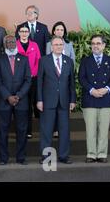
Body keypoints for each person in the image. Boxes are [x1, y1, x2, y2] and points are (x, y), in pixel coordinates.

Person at [79, 34, 110, 163]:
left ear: (103, 45)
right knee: (90, 130)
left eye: (98, 43)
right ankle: (91, 154)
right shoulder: (85, 60)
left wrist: (106, 88)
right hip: (90, 99)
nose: (95, 46)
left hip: (105, 99)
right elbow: (82, 78)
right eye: (93, 43)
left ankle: (102, 154)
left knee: (103, 130)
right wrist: (92, 90)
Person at [37, 36, 76, 165]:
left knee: (64, 130)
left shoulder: (69, 61)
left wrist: (72, 100)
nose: (59, 46)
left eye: (61, 44)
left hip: (64, 101)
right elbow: (39, 82)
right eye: (56, 44)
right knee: (47, 130)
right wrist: (39, 100)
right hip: (48, 101)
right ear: (51, 46)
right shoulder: (43, 61)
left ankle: (64, 156)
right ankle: (46, 157)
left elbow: (72, 83)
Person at [0, 35, 31, 165]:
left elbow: (28, 80)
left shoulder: (24, 59)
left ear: (16, 43)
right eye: (7, 42)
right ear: (4, 45)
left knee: (22, 130)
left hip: (21, 101)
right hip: (4, 101)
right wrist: (8, 96)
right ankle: (3, 158)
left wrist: (19, 95)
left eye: (12, 41)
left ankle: (21, 158)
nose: (10, 43)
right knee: (2, 131)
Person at [46, 21, 75, 138]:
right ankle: (54, 129)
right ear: (53, 31)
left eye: (61, 30)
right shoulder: (49, 44)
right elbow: (47, 61)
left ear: (64, 32)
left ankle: (61, 130)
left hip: (65, 80)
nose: (59, 32)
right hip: (52, 80)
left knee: (63, 107)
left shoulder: (69, 44)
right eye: (57, 29)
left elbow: (72, 60)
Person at [16, 25, 41, 138]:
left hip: (32, 79)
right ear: (19, 33)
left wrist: (32, 73)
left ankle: (28, 131)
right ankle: (20, 130)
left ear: (29, 33)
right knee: (21, 105)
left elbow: (38, 61)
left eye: (26, 31)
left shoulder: (34, 45)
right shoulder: (14, 44)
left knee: (30, 105)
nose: (24, 33)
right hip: (18, 80)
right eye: (22, 31)